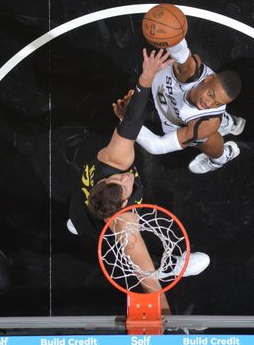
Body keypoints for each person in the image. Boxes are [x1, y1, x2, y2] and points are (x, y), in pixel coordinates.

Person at [67, 48, 210, 312]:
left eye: (116, 180)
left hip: (80, 210)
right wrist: (164, 317)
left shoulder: (113, 160)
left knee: (80, 213)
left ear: (101, 184)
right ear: (121, 205)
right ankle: (174, 267)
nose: (124, 177)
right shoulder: (125, 221)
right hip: (103, 237)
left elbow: (132, 120)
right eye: (124, 186)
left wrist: (146, 77)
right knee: (146, 260)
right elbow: (147, 279)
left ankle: (78, 220)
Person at [117, 36, 243, 174]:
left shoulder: (205, 124)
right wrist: (171, 34)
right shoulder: (190, 71)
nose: (208, 103)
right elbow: (180, 49)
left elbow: (157, 146)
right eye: (211, 95)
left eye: (217, 103)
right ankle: (227, 122)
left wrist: (127, 120)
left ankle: (221, 159)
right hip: (166, 101)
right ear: (208, 78)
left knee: (206, 140)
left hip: (184, 122)